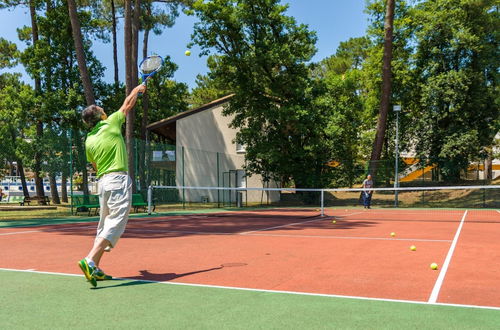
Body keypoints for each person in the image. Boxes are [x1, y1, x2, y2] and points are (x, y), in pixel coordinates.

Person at [78, 84, 146, 287]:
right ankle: (90, 259)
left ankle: (95, 268)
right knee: (116, 221)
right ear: (101, 116)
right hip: (117, 180)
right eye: (101, 109)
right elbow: (126, 105)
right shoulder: (111, 123)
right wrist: (137, 90)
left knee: (104, 224)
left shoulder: (89, 140)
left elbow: (95, 165)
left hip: (103, 183)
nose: (104, 110)